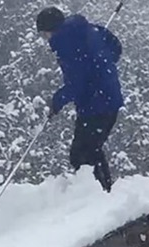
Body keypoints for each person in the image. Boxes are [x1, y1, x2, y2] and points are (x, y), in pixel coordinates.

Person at [36, 6, 124, 193]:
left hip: (96, 105)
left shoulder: (66, 43)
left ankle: (101, 195)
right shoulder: (87, 30)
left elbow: (77, 84)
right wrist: (102, 65)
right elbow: (116, 46)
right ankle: (105, 192)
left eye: (44, 34)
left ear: (52, 29)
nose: (46, 40)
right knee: (91, 150)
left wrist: (56, 102)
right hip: (107, 100)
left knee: (81, 155)